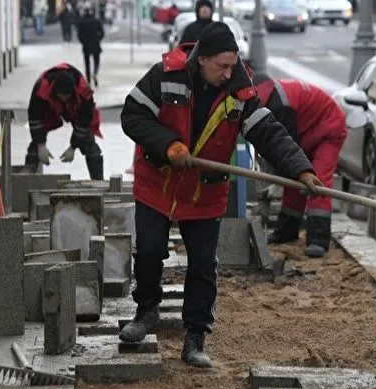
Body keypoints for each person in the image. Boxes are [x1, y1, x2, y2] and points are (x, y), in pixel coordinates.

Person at [119, 22, 322, 368]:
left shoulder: (241, 92)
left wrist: (301, 169)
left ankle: (195, 337)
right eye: (222, 66)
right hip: (159, 183)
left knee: (202, 265)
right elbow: (132, 116)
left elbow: (269, 132)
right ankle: (146, 310)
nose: (230, 73)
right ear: (202, 60)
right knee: (150, 251)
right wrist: (168, 144)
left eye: (233, 65)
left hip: (204, 191)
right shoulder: (164, 75)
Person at [252, 73, 347, 258]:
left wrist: (278, 181)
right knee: (295, 181)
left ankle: (318, 240)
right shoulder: (269, 99)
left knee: (317, 182)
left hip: (328, 129)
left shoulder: (281, 106)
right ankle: (286, 231)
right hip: (307, 130)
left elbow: (286, 150)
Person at [26, 63, 104, 180]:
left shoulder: (83, 92)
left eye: (66, 96)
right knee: (35, 146)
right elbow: (35, 118)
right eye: (61, 96)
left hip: (75, 108)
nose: (64, 99)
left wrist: (73, 146)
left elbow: (84, 122)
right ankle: (27, 180)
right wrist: (40, 145)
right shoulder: (41, 88)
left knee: (89, 142)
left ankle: (99, 181)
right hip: (49, 107)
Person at [77, 1, 105, 87]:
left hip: (86, 45)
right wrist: (98, 39)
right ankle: (95, 73)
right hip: (95, 44)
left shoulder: (81, 22)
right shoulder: (96, 21)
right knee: (96, 61)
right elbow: (102, 32)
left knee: (87, 63)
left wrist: (83, 41)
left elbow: (79, 34)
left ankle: (88, 81)